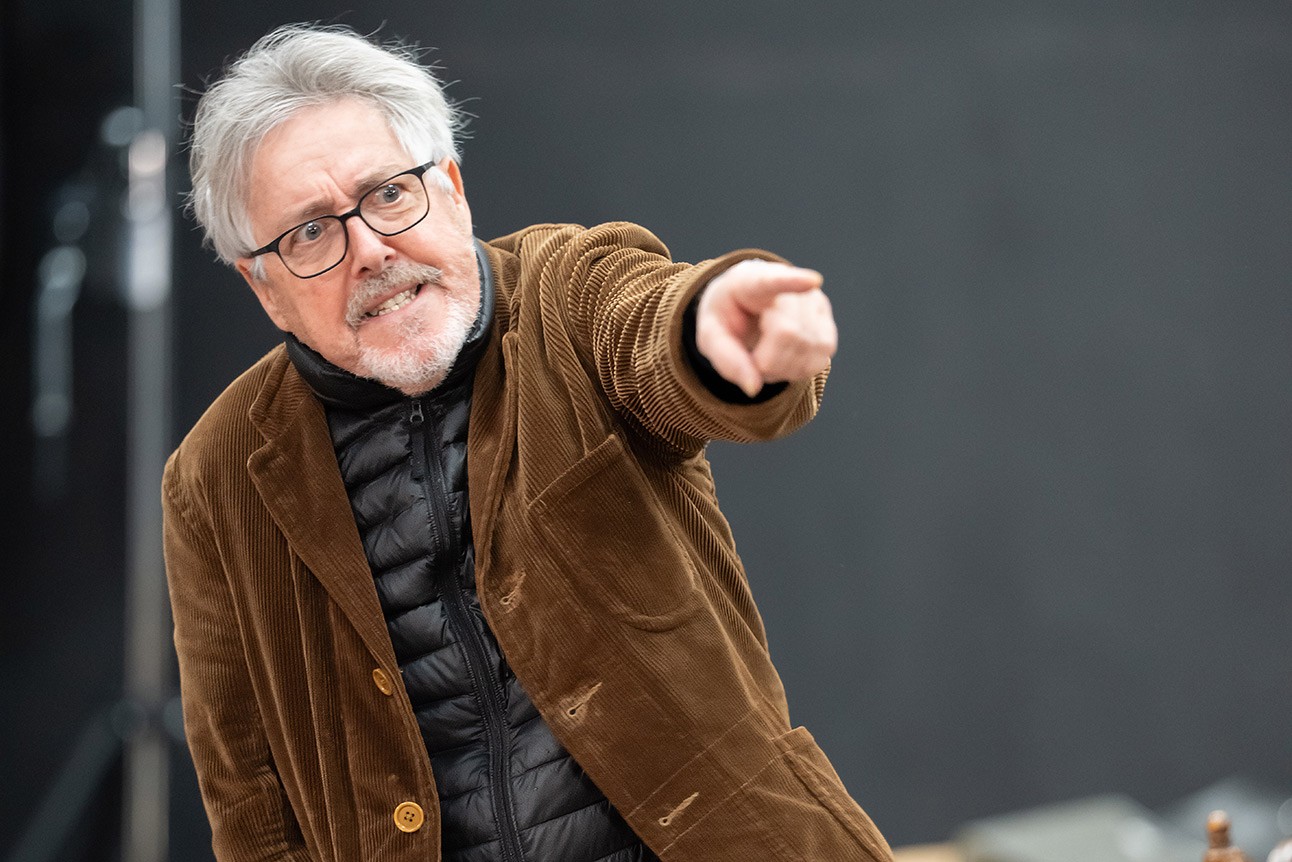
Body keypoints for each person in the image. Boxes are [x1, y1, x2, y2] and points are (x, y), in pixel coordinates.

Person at [164, 22, 894, 862]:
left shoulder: (567, 293)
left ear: (453, 189)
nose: (368, 250)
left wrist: (712, 339)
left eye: (390, 194)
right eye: (310, 234)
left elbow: (650, 332)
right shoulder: (214, 479)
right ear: (265, 291)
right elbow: (250, 812)